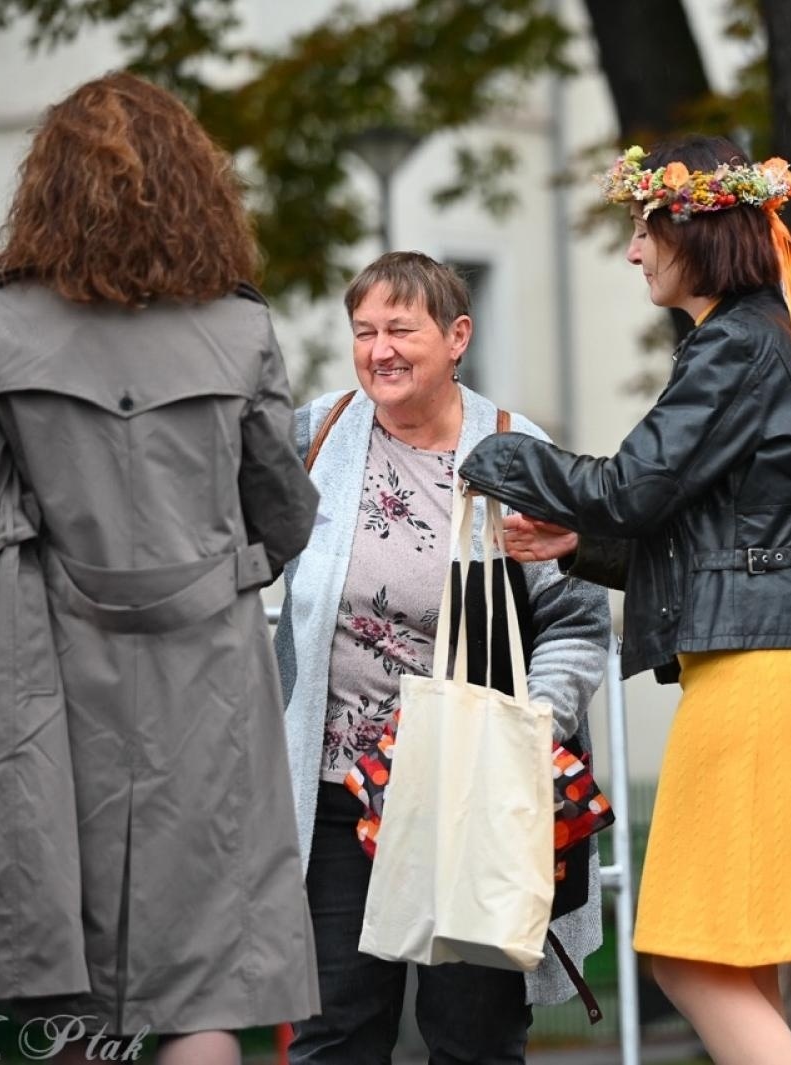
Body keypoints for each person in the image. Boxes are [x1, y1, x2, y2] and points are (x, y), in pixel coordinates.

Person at [0, 72, 320, 1063]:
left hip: (42, 674)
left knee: (56, 964)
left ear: (48, 187)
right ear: (194, 185)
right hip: (206, 673)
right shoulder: (240, 325)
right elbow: (284, 511)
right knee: (207, 979)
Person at [458, 136, 791, 1065]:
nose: (633, 250)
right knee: (739, 955)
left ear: (696, 231)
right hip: (781, 662)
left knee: (683, 955)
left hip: (754, 679)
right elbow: (715, 525)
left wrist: (488, 447)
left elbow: (632, 488)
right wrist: (583, 543)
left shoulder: (733, 344)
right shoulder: (780, 336)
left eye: (645, 228)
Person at [274, 251, 612, 1065]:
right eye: (364, 331)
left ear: (457, 336)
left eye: (401, 328)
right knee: (335, 1033)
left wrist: (532, 725)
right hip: (334, 793)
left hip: (474, 795)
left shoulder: (514, 449)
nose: (380, 349)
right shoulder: (313, 436)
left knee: (473, 1039)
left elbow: (574, 621)